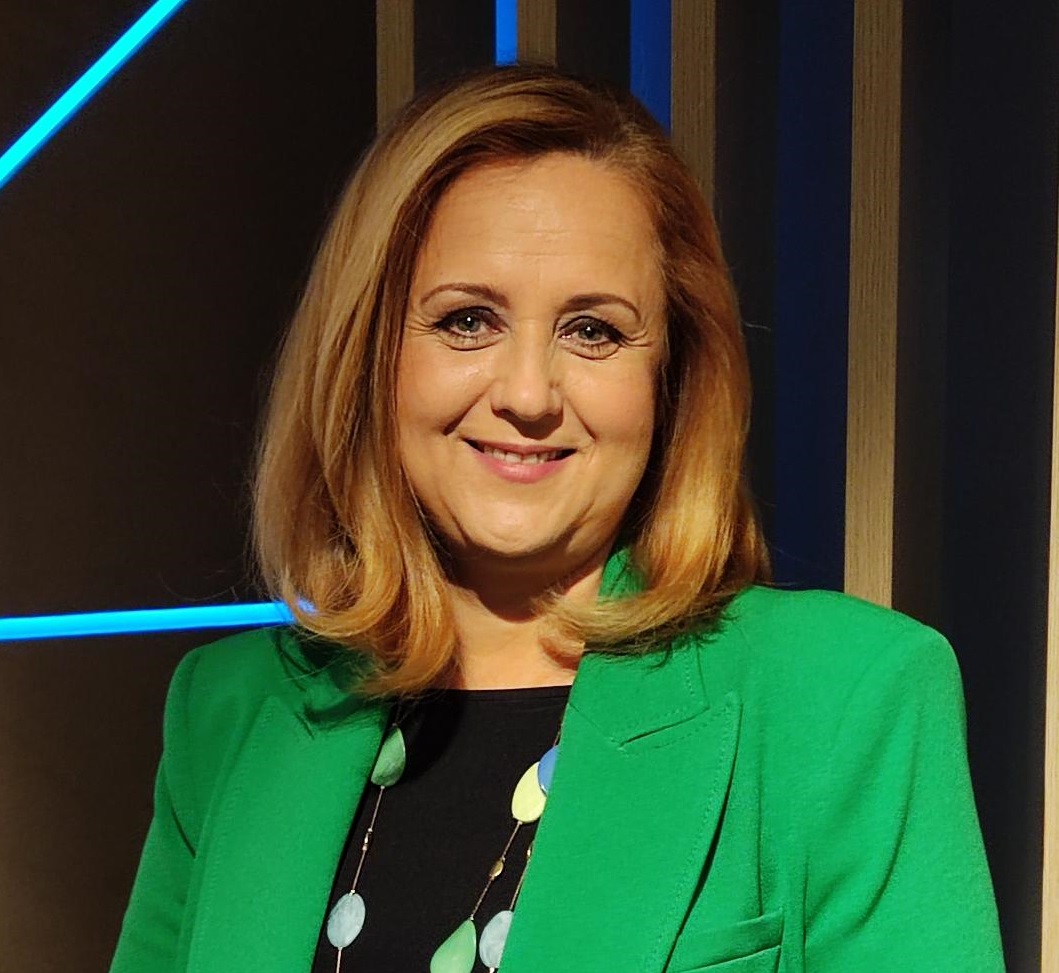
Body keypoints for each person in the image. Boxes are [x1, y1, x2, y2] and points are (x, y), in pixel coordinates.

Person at [110, 65, 1004, 973]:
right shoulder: (228, 711)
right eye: (467, 321)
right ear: (368, 354)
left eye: (593, 331)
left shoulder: (846, 696)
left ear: (671, 377)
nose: (528, 394)